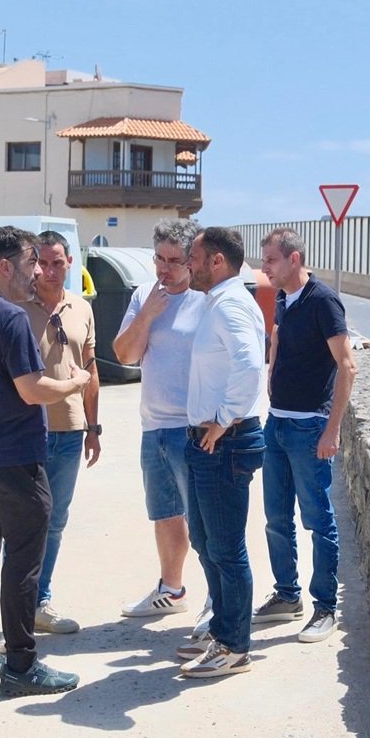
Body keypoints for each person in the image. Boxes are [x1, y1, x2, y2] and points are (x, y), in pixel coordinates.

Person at [0, 226, 91, 696]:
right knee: (24, 561)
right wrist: (76, 383)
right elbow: (33, 390)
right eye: (30, 264)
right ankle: (22, 665)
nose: (37, 273)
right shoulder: (9, 318)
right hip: (15, 457)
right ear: (4, 266)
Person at [175, 225, 268, 679]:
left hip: (224, 442)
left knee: (227, 548)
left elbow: (252, 364)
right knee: (206, 541)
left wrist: (224, 416)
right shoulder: (219, 302)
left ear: (216, 261)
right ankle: (223, 629)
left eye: (192, 257)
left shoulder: (229, 303)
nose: (187, 265)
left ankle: (234, 646)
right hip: (210, 442)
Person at [257, 228, 356, 643]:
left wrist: (331, 429)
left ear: (294, 259)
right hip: (277, 424)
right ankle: (286, 596)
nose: (265, 269)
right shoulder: (282, 296)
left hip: (309, 427)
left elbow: (347, 367)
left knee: (317, 520)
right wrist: (272, 371)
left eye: (271, 261)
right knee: (276, 518)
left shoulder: (323, 301)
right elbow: (277, 334)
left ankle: (325, 607)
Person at [113, 218, 209, 618]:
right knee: (165, 513)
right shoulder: (143, 296)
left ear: (193, 262)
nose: (164, 268)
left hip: (195, 428)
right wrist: (148, 314)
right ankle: (172, 590)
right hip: (154, 426)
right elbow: (124, 355)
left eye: (174, 260)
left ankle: (216, 601)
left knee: (204, 522)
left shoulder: (209, 300)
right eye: (159, 258)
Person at [21, 232, 100, 636]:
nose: (50, 272)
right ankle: (16, 605)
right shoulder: (15, 306)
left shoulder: (81, 309)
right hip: (25, 430)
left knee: (55, 519)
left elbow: (90, 369)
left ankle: (39, 601)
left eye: (58, 263)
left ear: (71, 262)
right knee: (22, 522)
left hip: (69, 431)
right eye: (43, 264)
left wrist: (93, 427)